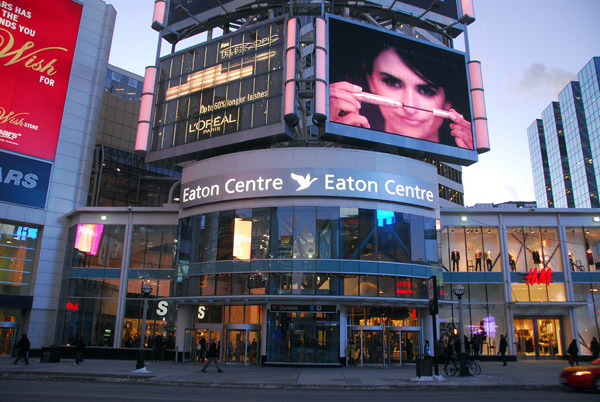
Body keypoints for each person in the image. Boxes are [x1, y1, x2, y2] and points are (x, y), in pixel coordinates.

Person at [329, 44, 473, 149]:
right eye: (392, 82)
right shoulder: (348, 127)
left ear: (447, 102)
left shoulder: (463, 146)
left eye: (427, 91)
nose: (409, 107)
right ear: (370, 79)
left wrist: (470, 150)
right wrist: (332, 129)